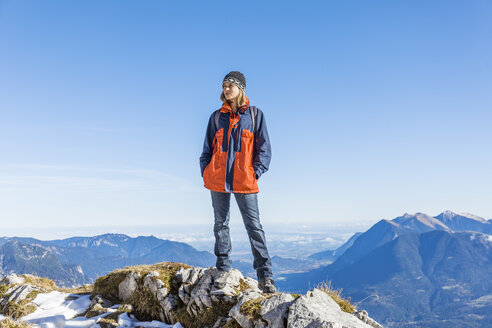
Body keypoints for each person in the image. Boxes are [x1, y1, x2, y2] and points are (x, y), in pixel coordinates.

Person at [199, 71, 276, 294]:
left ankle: (265, 277)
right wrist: (206, 172)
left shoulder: (254, 115)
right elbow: (206, 149)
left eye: (230, 85)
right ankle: (223, 269)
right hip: (217, 180)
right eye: (224, 85)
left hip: (245, 180)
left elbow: (264, 148)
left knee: (254, 227)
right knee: (220, 224)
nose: (226, 89)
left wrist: (256, 172)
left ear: (240, 88)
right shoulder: (216, 117)